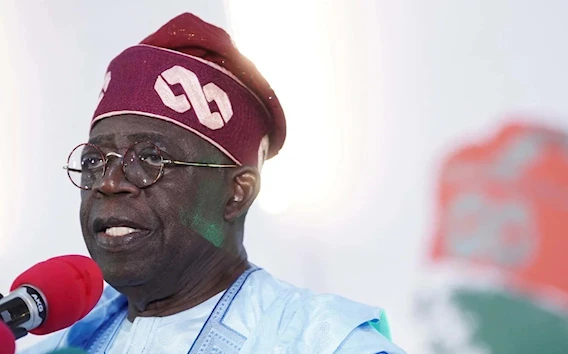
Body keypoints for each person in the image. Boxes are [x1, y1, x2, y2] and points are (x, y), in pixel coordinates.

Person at [22, 12, 404, 354]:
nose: (109, 183)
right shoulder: (57, 344)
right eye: (94, 161)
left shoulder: (322, 343)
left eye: (151, 158)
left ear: (238, 193)